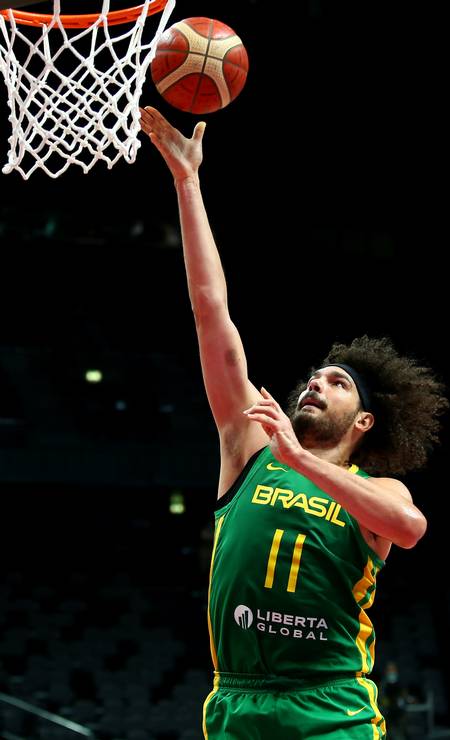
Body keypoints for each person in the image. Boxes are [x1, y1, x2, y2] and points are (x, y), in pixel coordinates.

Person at [139, 106, 448, 740]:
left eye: (337, 383)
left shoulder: (378, 492)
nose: (316, 382)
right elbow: (210, 313)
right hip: (236, 703)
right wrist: (187, 184)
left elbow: (410, 530)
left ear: (364, 420)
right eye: (315, 375)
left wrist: (301, 459)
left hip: (330, 708)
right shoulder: (248, 439)